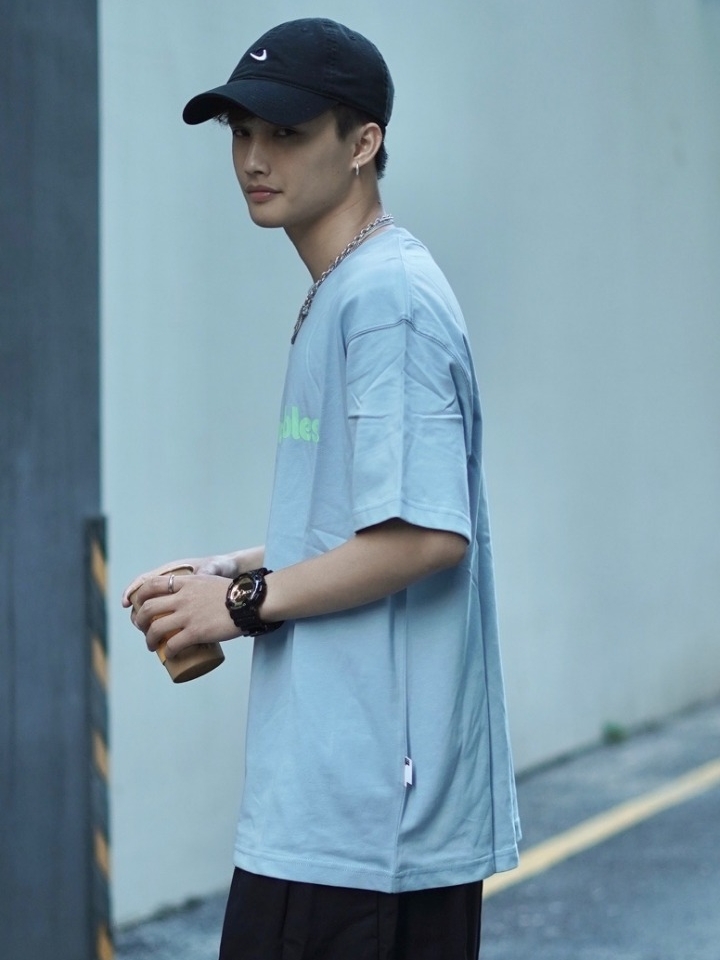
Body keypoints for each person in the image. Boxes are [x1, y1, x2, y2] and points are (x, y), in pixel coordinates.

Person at [123, 17, 520, 959]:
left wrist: (243, 605)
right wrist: (227, 569)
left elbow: (427, 536)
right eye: (240, 132)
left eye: (287, 133)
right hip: (330, 808)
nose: (254, 158)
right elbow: (362, 521)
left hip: (373, 824)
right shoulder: (347, 289)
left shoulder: (386, 302)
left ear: (363, 143)